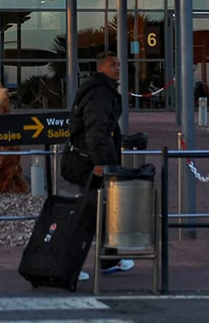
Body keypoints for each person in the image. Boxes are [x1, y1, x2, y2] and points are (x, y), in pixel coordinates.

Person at [69, 51, 136, 281]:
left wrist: (123, 140)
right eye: (111, 65)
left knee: (104, 212)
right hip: (90, 164)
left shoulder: (102, 91)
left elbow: (106, 128)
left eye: (118, 64)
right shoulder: (100, 94)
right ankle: (70, 264)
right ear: (100, 69)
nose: (117, 68)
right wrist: (99, 162)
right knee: (89, 215)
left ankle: (109, 259)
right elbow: (95, 130)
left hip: (92, 160)